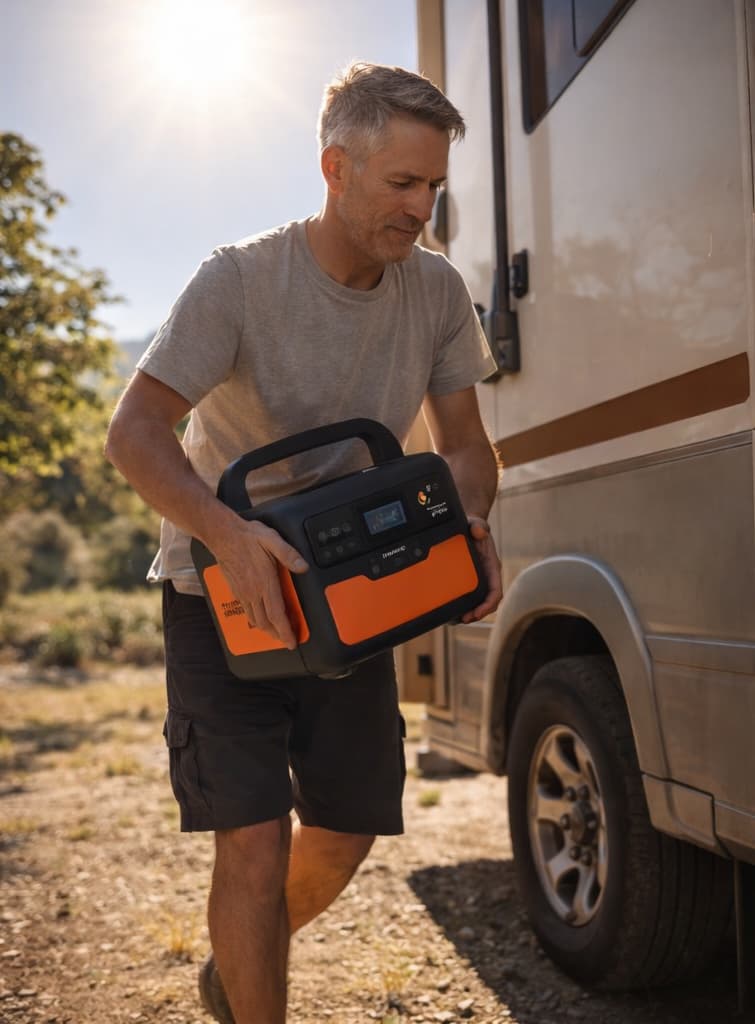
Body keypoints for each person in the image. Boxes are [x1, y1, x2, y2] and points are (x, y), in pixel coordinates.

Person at [105, 61, 502, 1024]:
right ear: (336, 168)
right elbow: (135, 433)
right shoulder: (237, 280)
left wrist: (473, 524)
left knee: (346, 828)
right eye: (402, 184)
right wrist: (228, 536)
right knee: (252, 840)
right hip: (223, 594)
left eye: (434, 186)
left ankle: (239, 968)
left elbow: (463, 447)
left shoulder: (437, 291)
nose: (421, 207)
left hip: (356, 593)